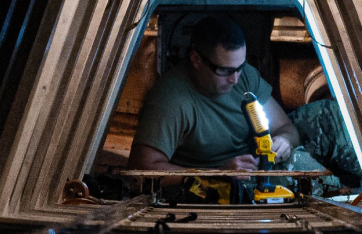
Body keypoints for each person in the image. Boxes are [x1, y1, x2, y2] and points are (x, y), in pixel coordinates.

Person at [128, 14, 300, 176]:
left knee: (323, 114)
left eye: (240, 67)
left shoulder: (244, 76)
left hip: (254, 169)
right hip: (212, 188)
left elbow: (285, 127)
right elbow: (141, 170)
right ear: (196, 60)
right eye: (225, 70)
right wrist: (217, 174)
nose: (235, 79)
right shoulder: (170, 100)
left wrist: (285, 141)